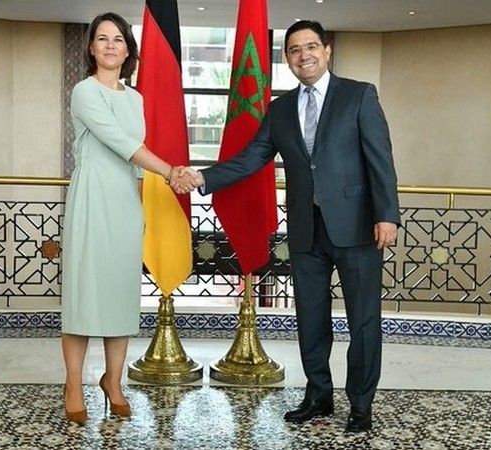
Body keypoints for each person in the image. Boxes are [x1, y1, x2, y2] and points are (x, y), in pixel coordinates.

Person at [172, 20, 400, 432]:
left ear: (327, 50)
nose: (303, 55)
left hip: (357, 227)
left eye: (311, 46)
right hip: (305, 229)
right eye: (294, 50)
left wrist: (387, 214)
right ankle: (318, 395)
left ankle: (361, 404)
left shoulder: (359, 95)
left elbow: (380, 157)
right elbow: (252, 157)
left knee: (363, 321)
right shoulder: (280, 109)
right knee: (311, 318)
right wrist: (203, 177)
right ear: (287, 59)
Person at [60, 12, 178, 425]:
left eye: (118, 39)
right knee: (83, 293)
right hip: (92, 197)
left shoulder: (135, 98)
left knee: (119, 293)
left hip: (126, 201)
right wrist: (171, 171)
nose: (110, 46)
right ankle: (73, 383)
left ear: (128, 50)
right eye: (102, 38)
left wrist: (142, 205)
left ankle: (113, 381)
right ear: (91, 48)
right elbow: (122, 143)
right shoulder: (84, 91)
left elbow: (134, 160)